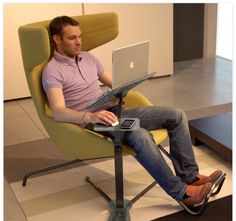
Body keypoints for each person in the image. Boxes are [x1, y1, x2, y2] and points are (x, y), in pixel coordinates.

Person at [42, 16, 223, 207]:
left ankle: (190, 176)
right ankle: (182, 193)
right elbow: (58, 111)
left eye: (80, 37)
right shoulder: (52, 71)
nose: (79, 42)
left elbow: (113, 84)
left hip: (114, 111)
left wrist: (126, 84)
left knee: (176, 115)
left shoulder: (88, 58)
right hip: (93, 121)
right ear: (57, 39)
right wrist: (90, 115)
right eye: (72, 38)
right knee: (140, 135)